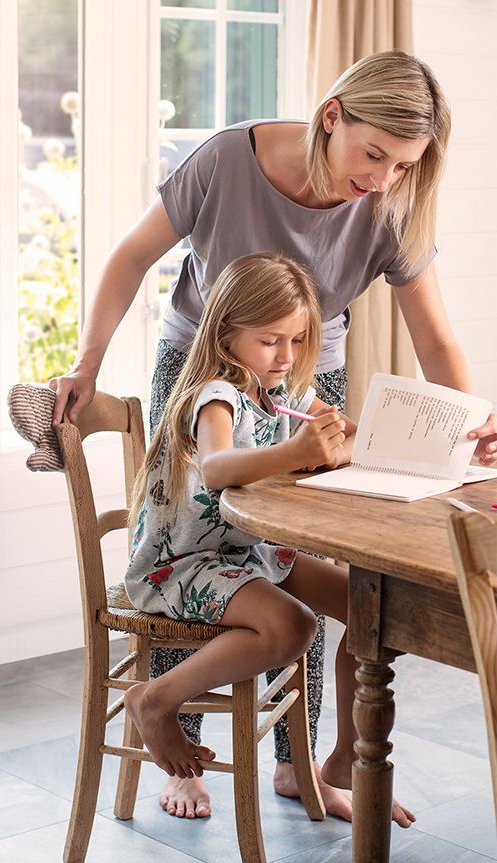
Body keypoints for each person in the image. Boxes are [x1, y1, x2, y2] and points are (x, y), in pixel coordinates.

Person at [50, 51, 497, 821]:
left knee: (326, 574)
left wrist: (475, 418)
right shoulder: (226, 160)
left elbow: (435, 338)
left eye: (404, 165)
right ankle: (181, 755)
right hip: (206, 370)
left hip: (300, 393)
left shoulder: (388, 203)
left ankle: (310, 765)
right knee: (209, 547)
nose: (383, 178)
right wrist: (87, 362)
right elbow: (130, 258)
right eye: (373, 155)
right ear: (333, 118)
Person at [123, 251, 414, 828]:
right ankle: (154, 699)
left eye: (299, 340)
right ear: (227, 333)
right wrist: (299, 452)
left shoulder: (283, 392)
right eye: (271, 341)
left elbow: (345, 437)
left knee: (372, 610)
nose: (287, 357)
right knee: (294, 626)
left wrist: (383, 443)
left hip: (247, 553)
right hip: (182, 563)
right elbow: (217, 466)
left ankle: (342, 759)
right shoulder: (216, 395)